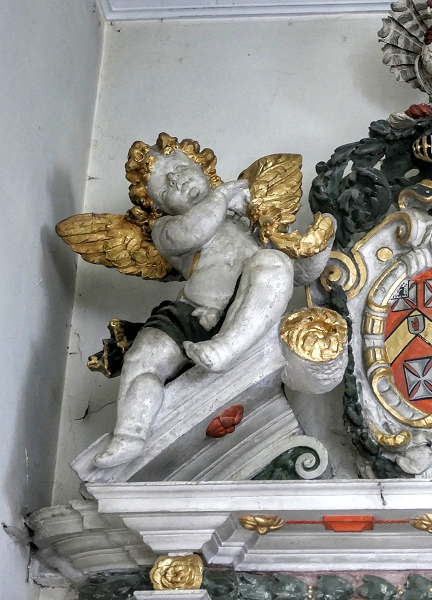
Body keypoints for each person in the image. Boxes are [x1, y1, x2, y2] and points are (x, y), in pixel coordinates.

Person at [92, 134, 295, 468]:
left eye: (180, 169)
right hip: (189, 313)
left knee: (275, 264)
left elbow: (293, 271)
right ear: (159, 207)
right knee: (144, 355)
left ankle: (226, 348)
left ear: (203, 168)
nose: (176, 180)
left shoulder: (243, 217)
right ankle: (130, 432)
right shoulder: (166, 229)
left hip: (243, 310)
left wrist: (317, 244)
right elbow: (195, 231)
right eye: (165, 187)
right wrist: (224, 194)